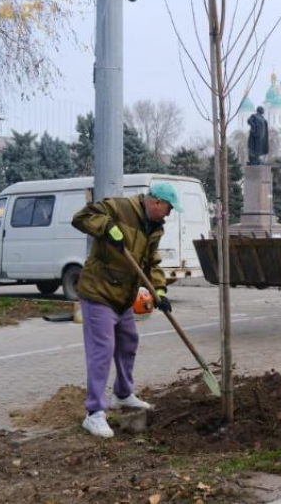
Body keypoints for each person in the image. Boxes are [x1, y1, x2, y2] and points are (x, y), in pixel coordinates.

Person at [71, 181, 182, 438]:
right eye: (168, 208)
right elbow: (81, 218)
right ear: (156, 202)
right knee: (102, 350)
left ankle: (122, 393)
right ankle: (94, 413)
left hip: (123, 297)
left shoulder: (154, 227)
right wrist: (107, 227)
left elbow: (152, 262)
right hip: (99, 291)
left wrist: (160, 292)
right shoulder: (118, 208)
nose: (169, 214)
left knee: (128, 343)